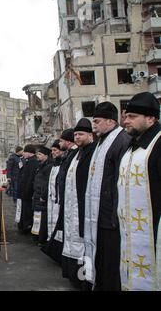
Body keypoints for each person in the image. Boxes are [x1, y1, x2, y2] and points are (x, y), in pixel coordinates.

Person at [83, 102, 131, 291]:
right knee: (102, 259)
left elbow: (120, 180)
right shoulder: (103, 140)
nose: (93, 125)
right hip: (100, 214)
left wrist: (113, 217)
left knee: (111, 261)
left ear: (111, 121)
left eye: (97, 121)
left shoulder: (121, 140)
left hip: (111, 216)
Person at [118, 92, 161, 291]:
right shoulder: (132, 147)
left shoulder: (158, 145)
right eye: (125, 116)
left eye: (132, 117)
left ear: (150, 118)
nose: (125, 121)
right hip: (131, 234)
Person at [61, 119, 96, 289]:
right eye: (75, 134)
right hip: (71, 206)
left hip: (82, 207)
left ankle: (83, 278)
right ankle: (73, 275)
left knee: (82, 242)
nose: (77, 137)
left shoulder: (93, 151)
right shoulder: (76, 153)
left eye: (81, 134)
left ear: (90, 135)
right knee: (72, 239)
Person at [42, 129, 78, 264]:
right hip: (58, 199)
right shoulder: (66, 157)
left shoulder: (71, 156)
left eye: (61, 141)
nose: (59, 143)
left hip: (66, 200)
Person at [31, 146, 53, 246]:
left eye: (40, 154)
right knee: (37, 217)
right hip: (37, 194)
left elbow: (46, 183)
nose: (37, 156)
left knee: (42, 218)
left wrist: (43, 195)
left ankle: (41, 238)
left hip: (41, 196)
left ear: (46, 155)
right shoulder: (41, 165)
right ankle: (37, 236)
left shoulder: (48, 166)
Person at [16, 145, 39, 233]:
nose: (23, 154)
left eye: (25, 152)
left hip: (27, 192)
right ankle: (23, 225)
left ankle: (27, 227)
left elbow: (30, 178)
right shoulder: (28, 161)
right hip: (25, 191)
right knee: (24, 210)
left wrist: (26, 191)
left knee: (27, 211)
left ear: (29, 153)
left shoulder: (32, 162)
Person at [46, 140, 63, 244]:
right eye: (52, 150)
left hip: (58, 200)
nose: (52, 152)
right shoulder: (53, 164)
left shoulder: (62, 164)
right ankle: (51, 239)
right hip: (51, 199)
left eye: (55, 150)